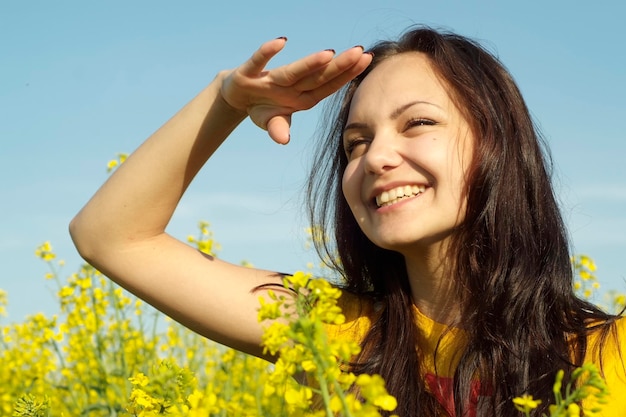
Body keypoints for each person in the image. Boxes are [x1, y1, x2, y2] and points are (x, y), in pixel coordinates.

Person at [69, 27, 625, 416]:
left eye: (417, 123)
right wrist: (227, 101)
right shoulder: (336, 333)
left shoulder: (611, 355)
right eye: (355, 143)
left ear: (501, 147)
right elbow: (109, 237)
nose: (376, 157)